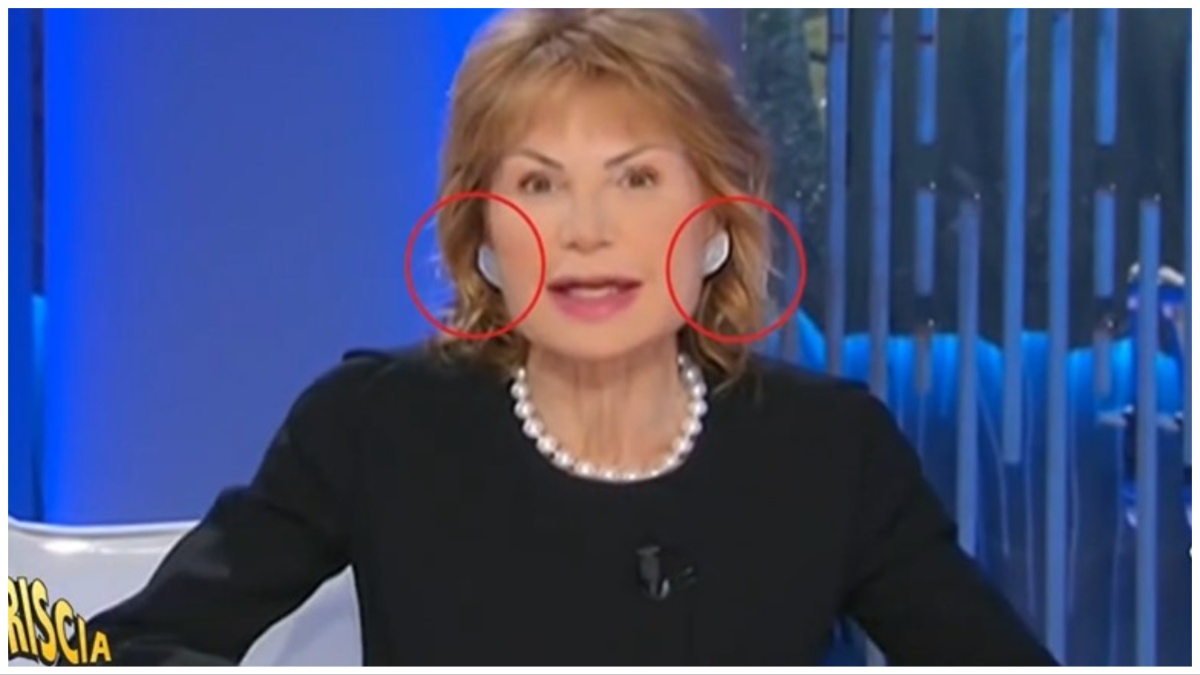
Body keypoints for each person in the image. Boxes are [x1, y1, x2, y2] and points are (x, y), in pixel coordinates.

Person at [87, 8, 1057, 667]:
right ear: (484, 236)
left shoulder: (828, 449)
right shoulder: (376, 426)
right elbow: (133, 650)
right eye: (539, 183)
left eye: (636, 178)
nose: (587, 230)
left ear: (717, 223)